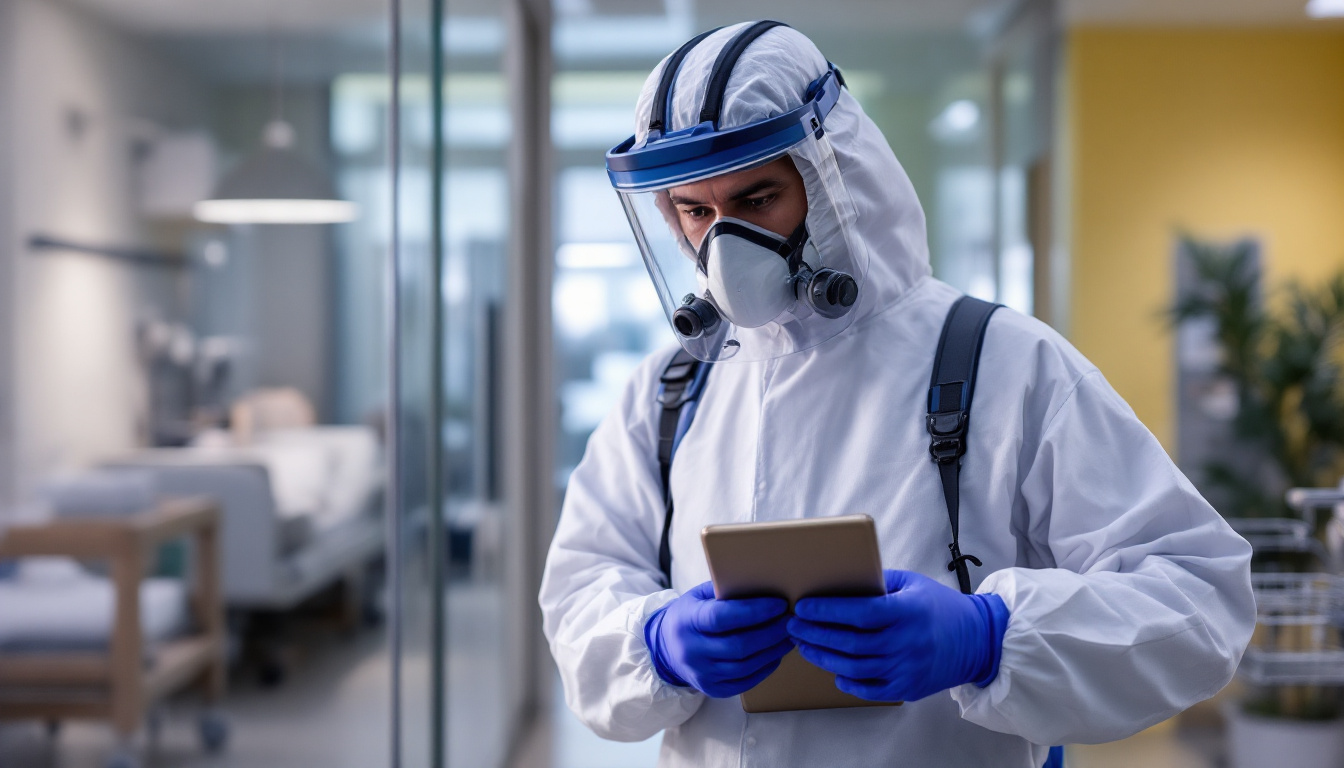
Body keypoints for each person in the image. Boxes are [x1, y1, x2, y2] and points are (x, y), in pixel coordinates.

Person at [539, 20, 1255, 767]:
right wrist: (653, 643)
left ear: (830, 176)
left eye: (758, 198)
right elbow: (580, 593)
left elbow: (1200, 599)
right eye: (697, 211)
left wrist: (990, 637)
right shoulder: (671, 390)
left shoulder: (1004, 363)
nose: (726, 245)